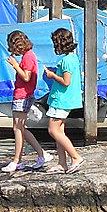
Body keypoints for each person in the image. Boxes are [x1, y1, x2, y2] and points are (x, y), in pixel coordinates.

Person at [40, 27, 86, 174]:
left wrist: (52, 75)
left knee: (53, 130)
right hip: (64, 99)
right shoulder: (73, 58)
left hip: (62, 99)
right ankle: (62, 163)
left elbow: (66, 82)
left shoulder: (66, 61)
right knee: (60, 130)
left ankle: (75, 157)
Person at [3, 30, 47, 174]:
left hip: (23, 95)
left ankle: (18, 160)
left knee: (18, 128)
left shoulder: (28, 57)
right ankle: (40, 155)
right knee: (21, 128)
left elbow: (26, 77)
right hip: (22, 94)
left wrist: (15, 65)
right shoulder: (29, 56)